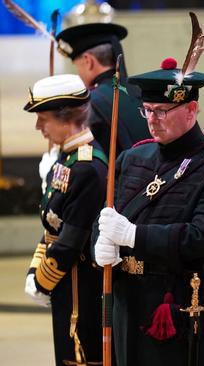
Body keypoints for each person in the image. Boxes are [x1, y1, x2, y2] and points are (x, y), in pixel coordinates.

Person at [93, 57, 204, 366]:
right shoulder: (131, 157)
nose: (152, 120)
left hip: (184, 305)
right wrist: (100, 244)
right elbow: (105, 216)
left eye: (162, 112)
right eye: (147, 111)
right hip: (129, 303)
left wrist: (133, 236)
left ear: (191, 110)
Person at [23, 74, 107, 366]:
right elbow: (51, 228)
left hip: (80, 288)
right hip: (65, 283)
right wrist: (36, 269)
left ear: (66, 117)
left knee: (79, 357)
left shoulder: (86, 167)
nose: (39, 128)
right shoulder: (66, 158)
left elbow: (70, 241)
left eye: (43, 119)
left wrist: (41, 280)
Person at [56, 22, 150, 156]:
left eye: (78, 66)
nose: (79, 73)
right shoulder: (142, 91)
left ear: (88, 61)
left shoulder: (89, 103)